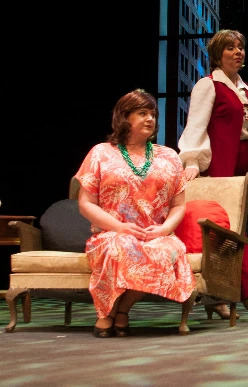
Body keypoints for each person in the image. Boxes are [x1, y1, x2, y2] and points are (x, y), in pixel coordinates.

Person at [75, 89, 196, 337]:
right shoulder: (101, 153)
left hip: (155, 234)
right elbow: (86, 203)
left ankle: (120, 311)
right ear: (124, 117)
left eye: (152, 114)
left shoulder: (169, 156)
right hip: (112, 232)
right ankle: (107, 313)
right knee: (119, 246)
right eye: (142, 113)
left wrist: (164, 229)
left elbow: (178, 205)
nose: (150, 118)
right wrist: (119, 227)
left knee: (162, 251)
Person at [178, 29, 248, 318]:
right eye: (230, 48)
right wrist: (192, 162)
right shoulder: (208, 85)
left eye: (240, 47)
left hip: (242, 164)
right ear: (217, 55)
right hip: (219, 163)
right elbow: (196, 126)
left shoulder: (247, 90)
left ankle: (219, 296)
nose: (238, 52)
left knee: (231, 229)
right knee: (227, 229)